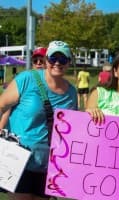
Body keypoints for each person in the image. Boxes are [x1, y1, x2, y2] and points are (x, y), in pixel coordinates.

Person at [0, 40, 78, 200]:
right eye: (53, 58)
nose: (57, 63)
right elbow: (1, 106)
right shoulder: (27, 79)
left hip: (49, 165)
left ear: (69, 62)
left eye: (63, 59)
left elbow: (73, 129)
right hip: (19, 160)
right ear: (46, 60)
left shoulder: (71, 92)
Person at [0, 47, 47, 129]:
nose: (38, 63)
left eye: (41, 60)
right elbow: (6, 106)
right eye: (35, 61)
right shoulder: (24, 78)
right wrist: (1, 128)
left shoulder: (55, 83)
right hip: (19, 136)